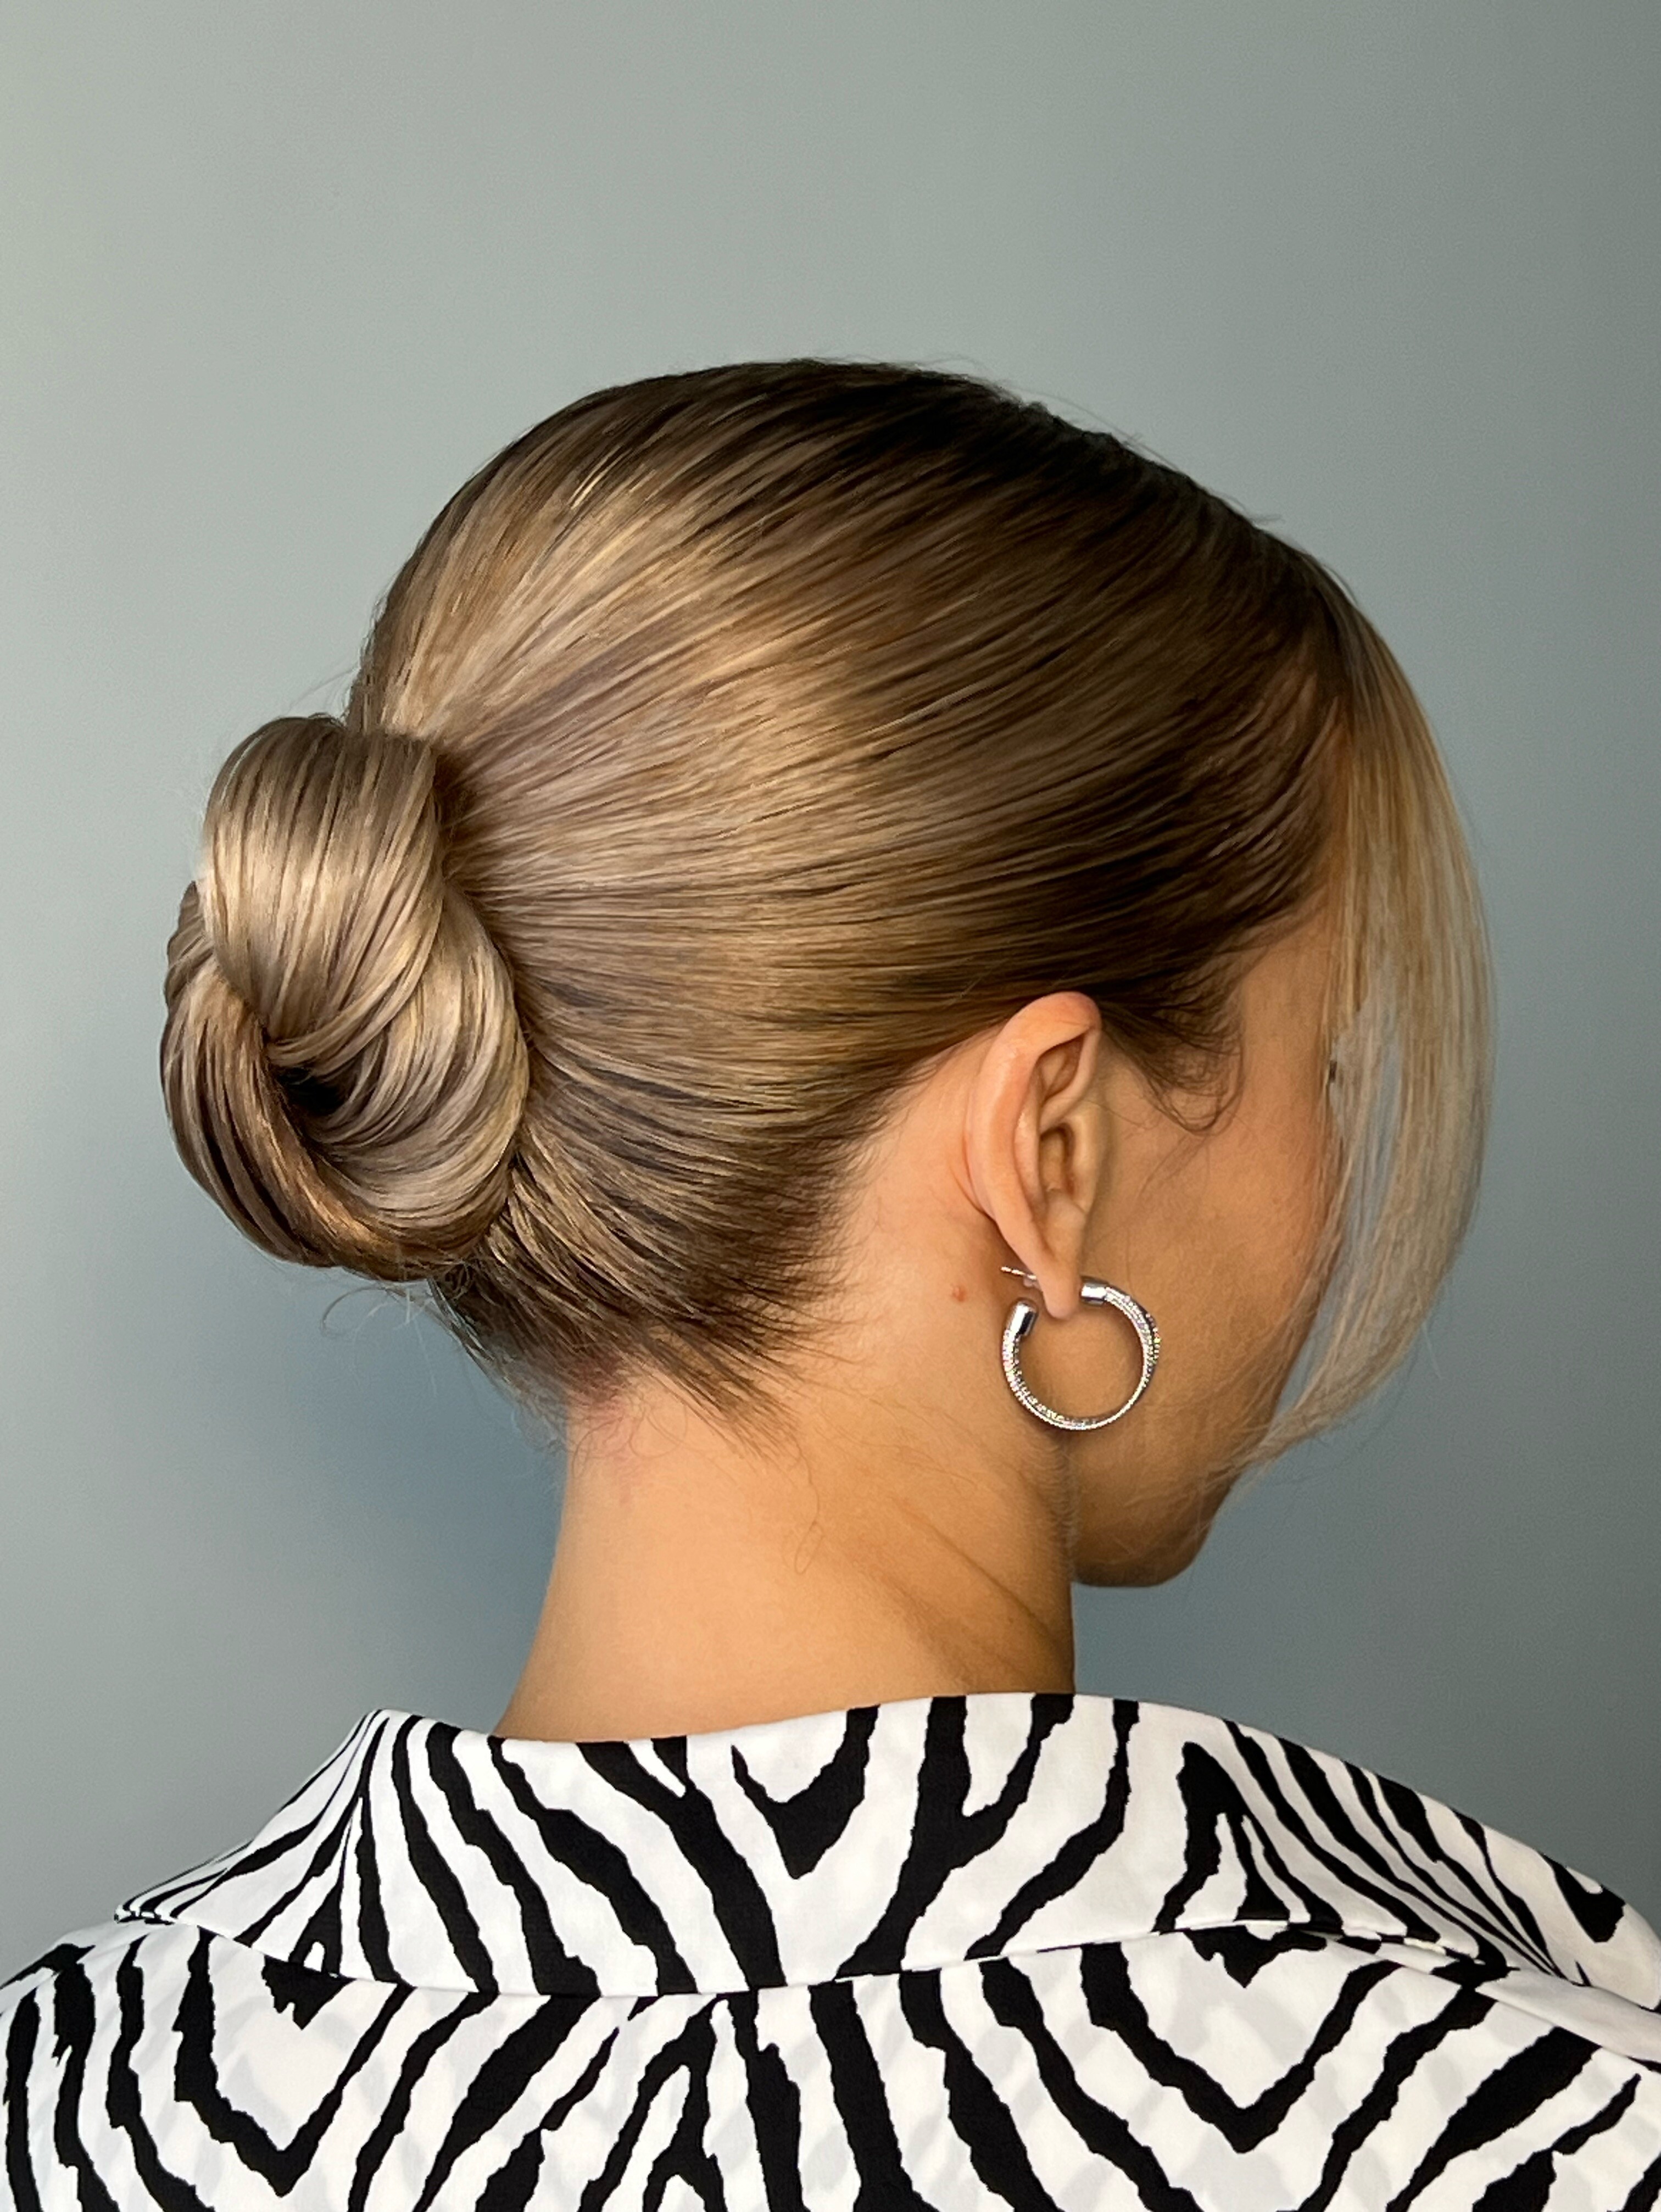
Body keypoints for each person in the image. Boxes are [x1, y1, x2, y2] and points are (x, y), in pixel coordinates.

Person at [3, 360, 1657, 2210]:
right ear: (1053, 1150)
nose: (1340, 1166)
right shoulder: (1530, 2132)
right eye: (1328, 1062)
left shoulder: (76, 2096)